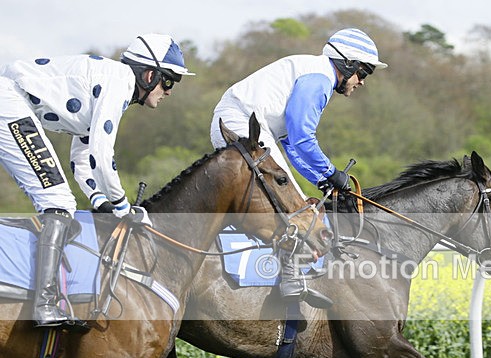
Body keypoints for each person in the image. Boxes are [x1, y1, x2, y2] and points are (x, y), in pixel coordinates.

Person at [0, 33, 194, 329]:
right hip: (9, 103)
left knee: (59, 199)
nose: (169, 91)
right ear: (149, 74)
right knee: (57, 200)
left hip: (11, 103)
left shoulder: (113, 86)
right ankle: (45, 304)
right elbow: (103, 157)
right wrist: (121, 207)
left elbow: (82, 156)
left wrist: (99, 201)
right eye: (168, 82)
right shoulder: (119, 82)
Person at [210, 28, 388, 308]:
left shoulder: (316, 74)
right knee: (294, 204)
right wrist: (331, 172)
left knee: (290, 197)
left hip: (242, 122)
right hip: (242, 123)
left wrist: (320, 179)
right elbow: (303, 137)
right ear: (347, 64)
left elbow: (291, 144)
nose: (362, 82)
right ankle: (291, 276)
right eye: (363, 73)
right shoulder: (320, 79)